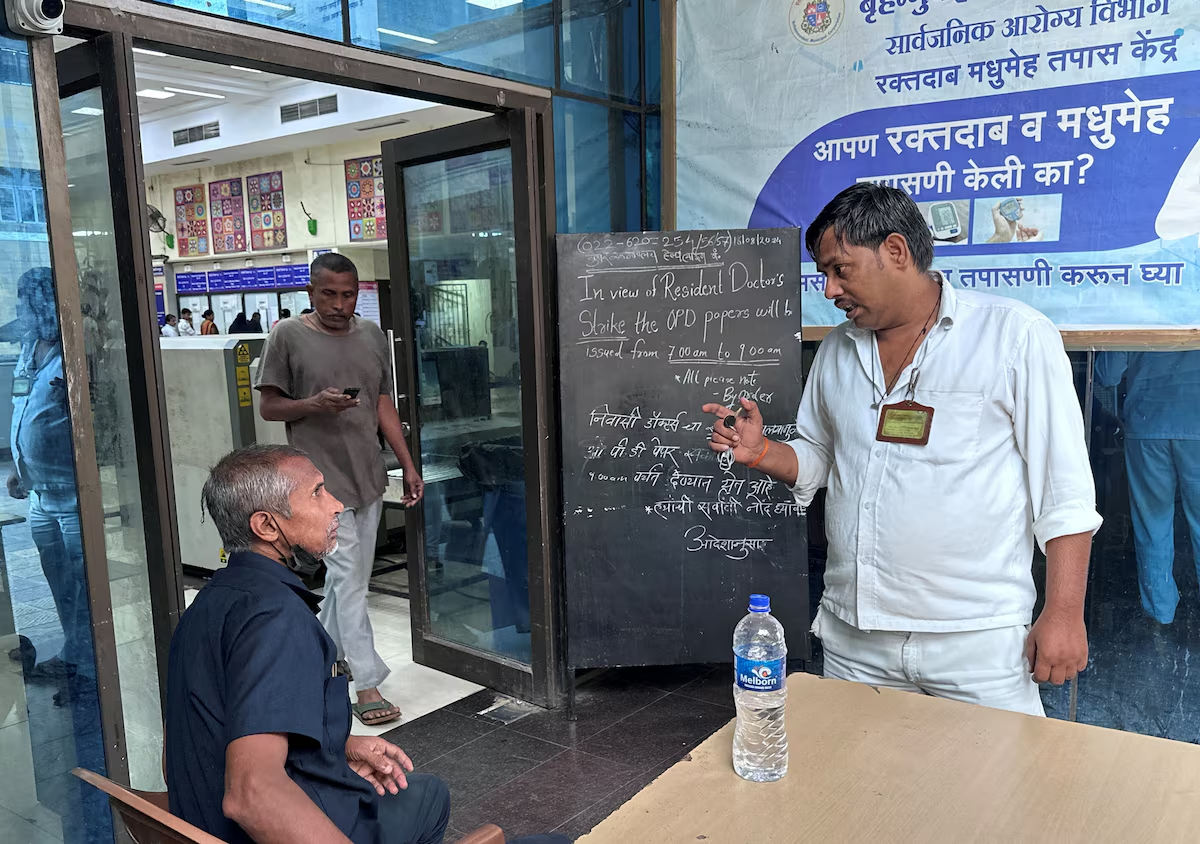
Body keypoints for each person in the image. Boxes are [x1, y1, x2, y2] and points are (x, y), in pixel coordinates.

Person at [704, 184, 1101, 716]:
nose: (829, 289)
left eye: (840, 269)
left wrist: (1064, 613)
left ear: (895, 250)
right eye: (823, 273)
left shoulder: (1014, 336)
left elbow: (1064, 489)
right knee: (860, 794)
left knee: (998, 797)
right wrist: (763, 452)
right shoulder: (837, 352)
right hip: (856, 639)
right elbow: (821, 455)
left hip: (976, 642)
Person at [167, 444, 566, 844]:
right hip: (280, 826)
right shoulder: (276, 620)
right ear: (267, 526)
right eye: (318, 492)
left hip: (209, 821)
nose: (337, 504)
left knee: (427, 794)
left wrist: (336, 749)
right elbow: (252, 796)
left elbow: (190, 750)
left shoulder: (211, 602)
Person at [255, 254, 423, 726]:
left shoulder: (371, 336)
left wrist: (406, 465)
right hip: (318, 486)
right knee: (350, 582)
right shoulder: (287, 335)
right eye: (329, 293)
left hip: (366, 476)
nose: (339, 303)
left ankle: (314, 660)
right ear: (310, 292)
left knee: (345, 582)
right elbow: (269, 407)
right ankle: (365, 683)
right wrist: (313, 404)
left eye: (348, 294)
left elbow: (382, 404)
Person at [1095, 351, 1200, 624]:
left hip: (1147, 423)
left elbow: (1107, 375)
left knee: (1152, 525)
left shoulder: (1132, 307)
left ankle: (1159, 618)